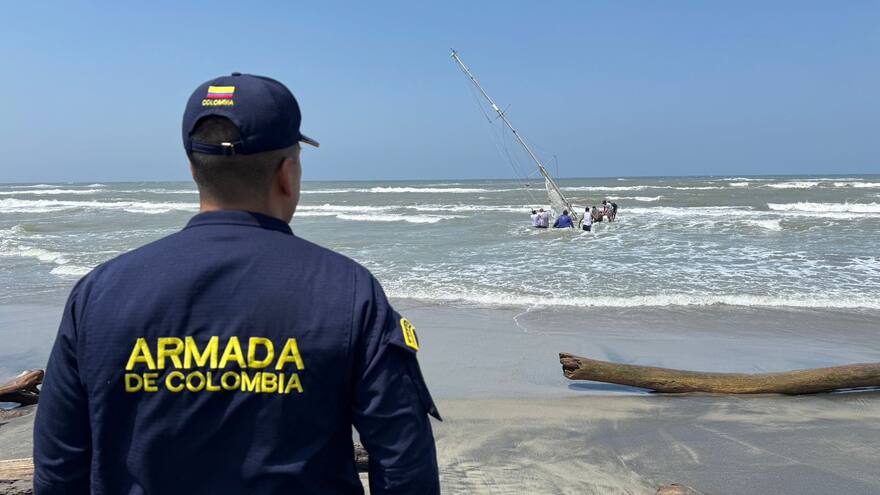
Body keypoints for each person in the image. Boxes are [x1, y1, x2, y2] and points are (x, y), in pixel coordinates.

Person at [34, 73, 441, 494]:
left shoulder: (100, 292)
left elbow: (58, 468)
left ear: (193, 168)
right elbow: (404, 463)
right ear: (288, 172)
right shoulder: (349, 291)